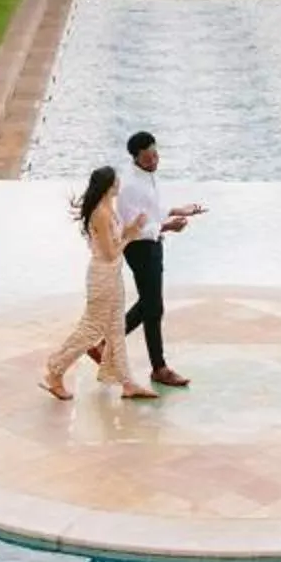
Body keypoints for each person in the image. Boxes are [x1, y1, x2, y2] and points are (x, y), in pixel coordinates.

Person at [42, 165, 156, 400]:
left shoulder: (108, 208)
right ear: (108, 186)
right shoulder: (100, 214)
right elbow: (111, 252)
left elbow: (116, 238)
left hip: (113, 276)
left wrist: (131, 227)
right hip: (102, 277)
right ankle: (55, 371)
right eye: (116, 181)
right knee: (91, 329)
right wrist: (132, 234)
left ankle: (127, 383)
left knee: (116, 330)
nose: (119, 184)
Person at [116, 129, 201, 388]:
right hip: (140, 247)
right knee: (153, 307)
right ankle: (158, 367)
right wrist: (167, 226)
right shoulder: (129, 185)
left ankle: (108, 344)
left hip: (153, 243)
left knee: (150, 306)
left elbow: (151, 210)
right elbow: (131, 226)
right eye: (147, 158)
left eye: (155, 155)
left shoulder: (147, 176)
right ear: (135, 158)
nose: (154, 161)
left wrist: (178, 210)